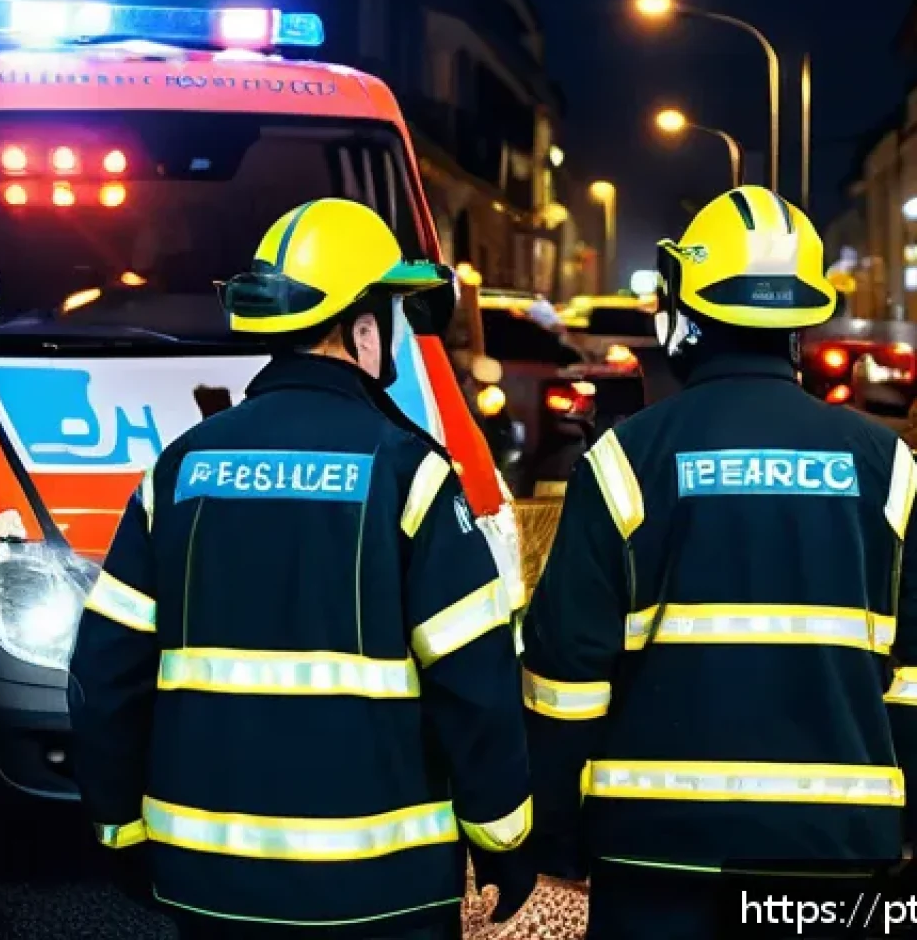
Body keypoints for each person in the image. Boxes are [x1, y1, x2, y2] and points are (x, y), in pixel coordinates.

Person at [67, 197, 532, 939]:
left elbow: (104, 674)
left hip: (205, 880)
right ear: (364, 328)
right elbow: (475, 680)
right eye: (395, 315)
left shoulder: (179, 469)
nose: (401, 338)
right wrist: (502, 837)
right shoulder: (408, 474)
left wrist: (120, 829)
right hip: (381, 891)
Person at [505, 185, 917, 937]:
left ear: (686, 307)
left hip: (655, 852)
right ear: (803, 316)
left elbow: (564, 679)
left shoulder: (626, 461)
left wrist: (557, 838)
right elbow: (913, 679)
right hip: (838, 853)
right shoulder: (888, 466)